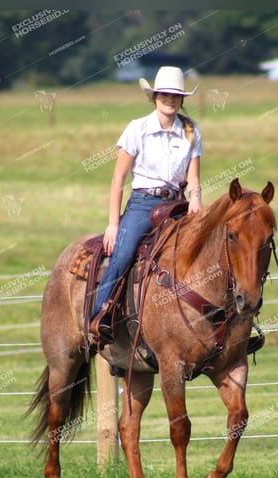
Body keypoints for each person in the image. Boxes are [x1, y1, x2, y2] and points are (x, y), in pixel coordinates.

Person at [90, 66, 203, 344]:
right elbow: (118, 178)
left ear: (182, 99)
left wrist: (197, 201)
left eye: (176, 95)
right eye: (164, 94)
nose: (170, 99)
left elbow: (194, 178)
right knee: (124, 252)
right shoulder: (137, 128)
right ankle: (100, 316)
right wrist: (113, 224)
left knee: (206, 250)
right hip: (143, 203)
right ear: (154, 96)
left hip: (177, 204)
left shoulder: (190, 130)